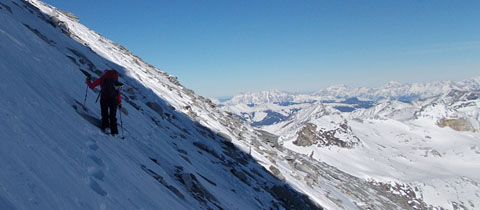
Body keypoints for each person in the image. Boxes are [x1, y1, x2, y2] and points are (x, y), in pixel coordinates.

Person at [86, 69, 123, 135]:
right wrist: (119, 102)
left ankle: (106, 128)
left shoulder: (102, 79)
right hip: (114, 100)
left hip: (104, 98)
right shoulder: (115, 81)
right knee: (113, 116)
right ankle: (114, 132)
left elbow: (92, 86)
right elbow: (118, 93)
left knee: (104, 113)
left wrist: (88, 81)